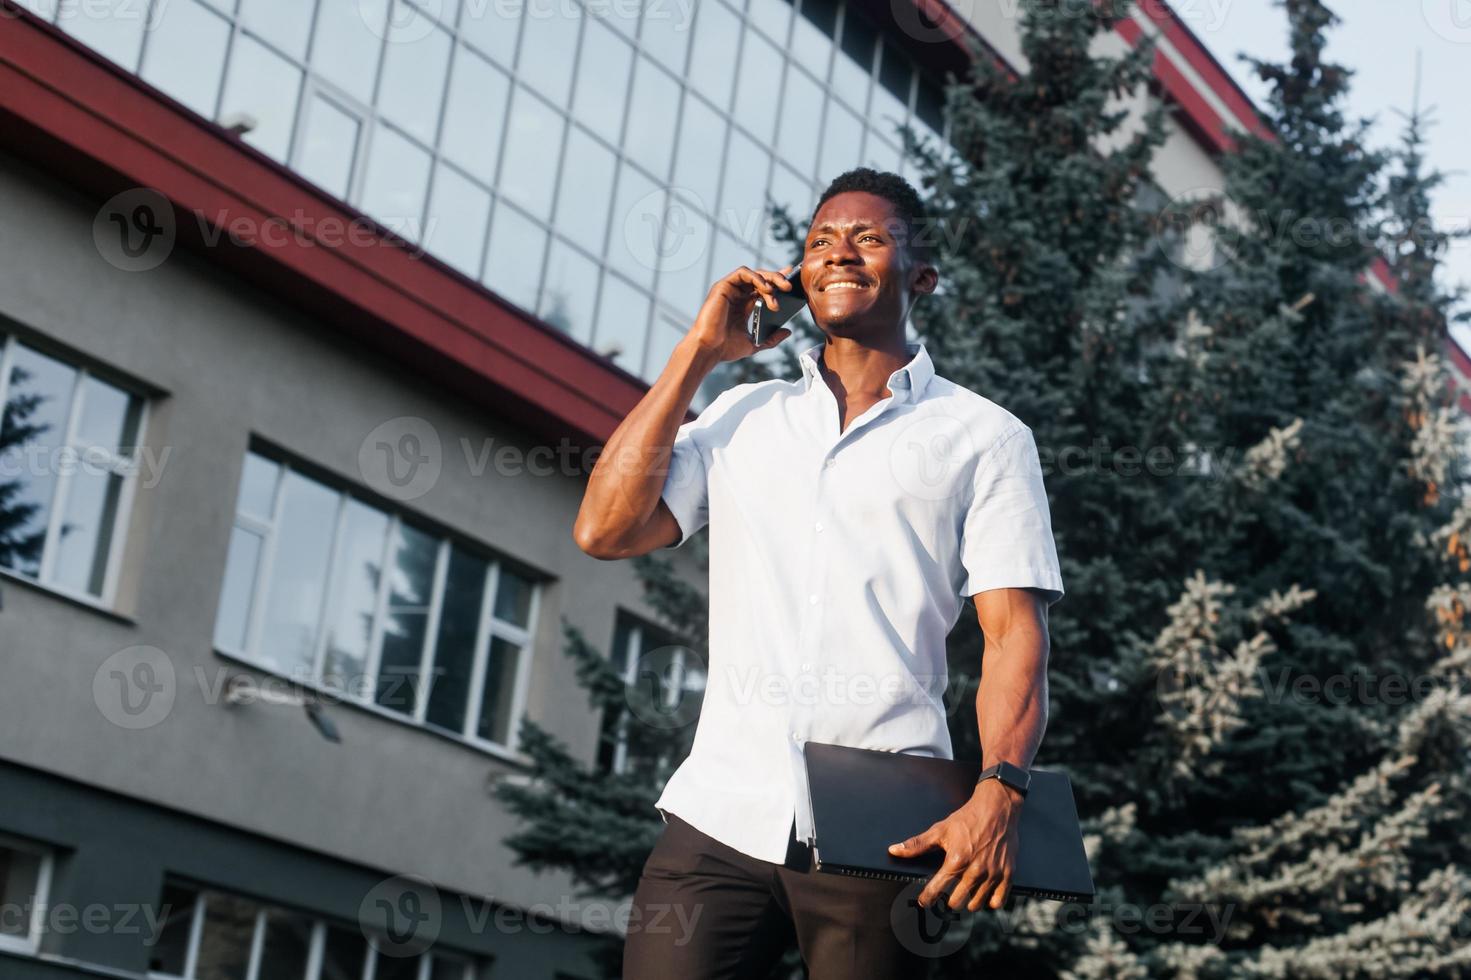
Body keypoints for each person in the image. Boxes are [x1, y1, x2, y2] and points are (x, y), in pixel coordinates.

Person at [573, 168, 1065, 979]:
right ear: (798, 273)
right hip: (720, 813)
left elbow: (1014, 636)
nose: (839, 252)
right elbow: (603, 529)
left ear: (922, 276)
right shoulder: (741, 417)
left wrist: (999, 792)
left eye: (868, 237)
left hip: (885, 822)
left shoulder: (984, 436)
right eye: (819, 242)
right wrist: (698, 352)